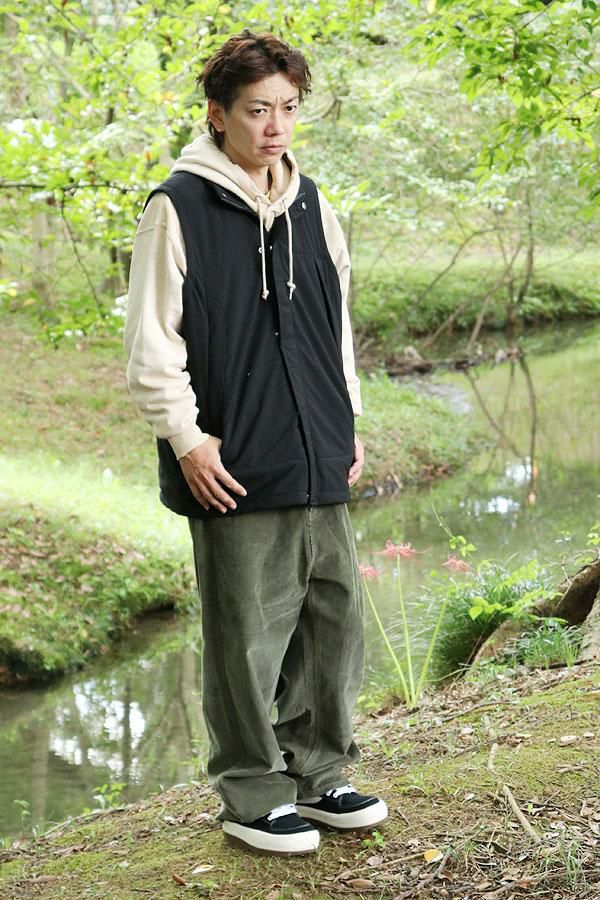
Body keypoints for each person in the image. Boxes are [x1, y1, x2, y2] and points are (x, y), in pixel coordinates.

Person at [124, 29, 387, 856]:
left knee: (334, 618)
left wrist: (347, 419)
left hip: (317, 442)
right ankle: (252, 791)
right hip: (230, 456)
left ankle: (321, 772)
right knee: (247, 634)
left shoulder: (315, 206)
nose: (275, 127)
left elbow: (335, 328)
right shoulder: (177, 208)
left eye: (288, 108)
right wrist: (186, 439)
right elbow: (151, 344)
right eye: (256, 110)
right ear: (217, 114)